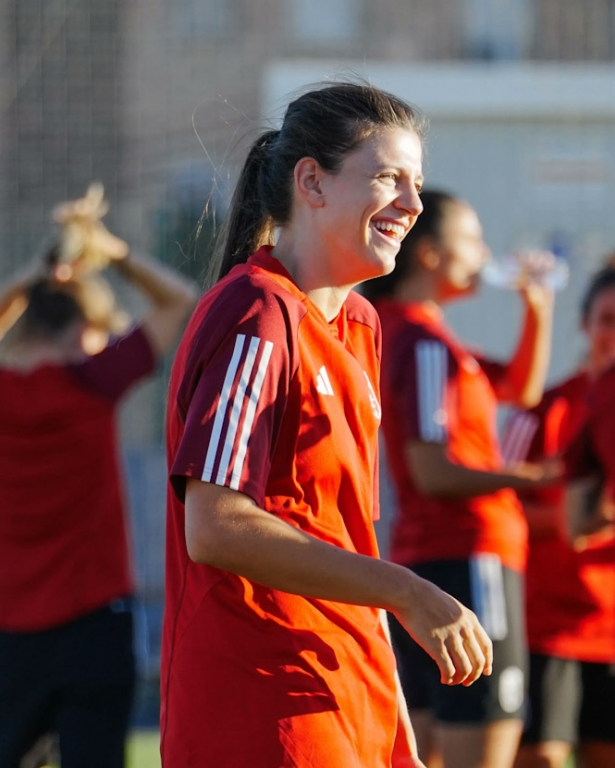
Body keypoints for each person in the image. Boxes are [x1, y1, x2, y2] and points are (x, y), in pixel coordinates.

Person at [162, 83, 494, 768]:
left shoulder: (359, 324)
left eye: (417, 185)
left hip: (347, 693)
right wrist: (408, 589)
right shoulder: (257, 311)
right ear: (310, 181)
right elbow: (216, 525)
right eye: (387, 178)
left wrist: (391, 714)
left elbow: (342, 533)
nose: (411, 205)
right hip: (264, 705)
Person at [0, 185, 198, 768]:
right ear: (80, 325)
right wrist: (112, 252)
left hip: (9, 631)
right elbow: (178, 299)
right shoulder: (94, 383)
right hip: (94, 624)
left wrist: (31, 278)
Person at [362, 190, 561, 768]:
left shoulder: (421, 337)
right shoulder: (423, 341)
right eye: (472, 240)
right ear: (429, 255)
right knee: (482, 742)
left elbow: (518, 389)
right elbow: (432, 471)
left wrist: (537, 311)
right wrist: (525, 479)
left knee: (429, 749)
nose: (484, 255)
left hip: (429, 560)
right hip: (467, 556)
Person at [504, 260, 615, 768]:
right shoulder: (548, 409)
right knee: (542, 757)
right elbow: (498, 514)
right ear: (586, 324)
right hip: (548, 625)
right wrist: (573, 518)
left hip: (610, 626)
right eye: (609, 319)